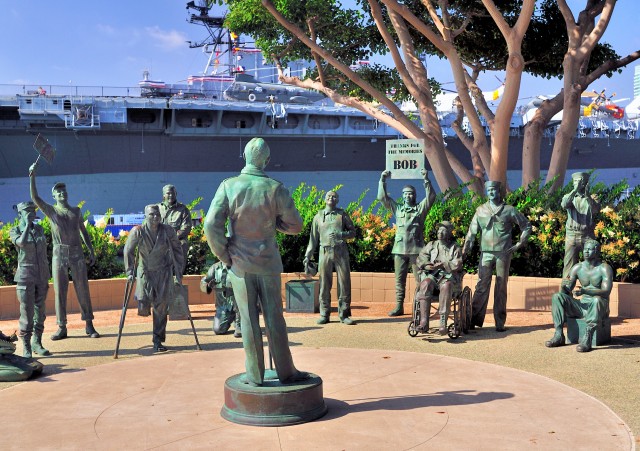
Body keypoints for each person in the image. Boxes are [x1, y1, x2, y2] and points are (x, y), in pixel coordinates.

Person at [204, 137, 309, 387]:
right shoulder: (275, 188)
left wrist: (224, 255)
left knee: (248, 320)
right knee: (275, 318)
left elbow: (210, 224)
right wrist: (275, 224)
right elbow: (296, 225)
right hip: (269, 263)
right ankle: (286, 372)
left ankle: (254, 374)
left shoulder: (229, 186)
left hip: (239, 265)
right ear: (267, 161)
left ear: (244, 156)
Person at [29, 164, 100, 341]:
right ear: (54, 196)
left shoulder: (76, 211)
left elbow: (83, 231)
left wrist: (90, 251)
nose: (62, 193)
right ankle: (62, 327)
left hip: (77, 253)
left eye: (64, 191)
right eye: (58, 192)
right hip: (59, 254)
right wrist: (32, 177)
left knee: (83, 289)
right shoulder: (51, 211)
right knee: (59, 291)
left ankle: (89, 324)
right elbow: (35, 198)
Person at [462, 181, 531, 332]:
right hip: (485, 253)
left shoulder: (509, 210)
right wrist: (464, 251)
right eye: (489, 190)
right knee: (481, 285)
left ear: (499, 191)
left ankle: (500, 322)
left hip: (503, 253)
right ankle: (474, 319)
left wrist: (520, 243)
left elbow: (526, 226)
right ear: (486, 192)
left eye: (494, 189)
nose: (492, 192)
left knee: (501, 287)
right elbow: (471, 233)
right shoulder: (480, 210)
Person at [124, 204, 184, 353]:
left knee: (161, 308)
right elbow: (128, 252)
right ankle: (145, 307)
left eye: (157, 214)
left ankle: (158, 340)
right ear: (146, 215)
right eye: (151, 215)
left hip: (163, 272)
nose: (155, 217)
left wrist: (179, 271)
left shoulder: (167, 231)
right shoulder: (138, 231)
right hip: (145, 272)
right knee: (144, 305)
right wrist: (129, 272)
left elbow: (177, 249)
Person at [378, 168, 436, 316]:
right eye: (405, 193)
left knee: (420, 281)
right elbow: (382, 198)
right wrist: (382, 180)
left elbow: (431, 197)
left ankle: (419, 307)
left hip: (416, 251)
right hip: (399, 249)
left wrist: (426, 179)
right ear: (402, 196)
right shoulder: (397, 209)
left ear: (415, 195)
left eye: (410, 193)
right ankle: (399, 306)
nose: (407, 196)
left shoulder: (419, 209)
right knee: (399, 280)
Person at [545, 239, 612, 352]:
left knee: (596, 300)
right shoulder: (578, 267)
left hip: (599, 307)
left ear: (596, 251)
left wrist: (586, 291)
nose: (586, 252)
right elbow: (566, 291)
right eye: (585, 249)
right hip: (582, 306)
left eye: (589, 249)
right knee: (557, 297)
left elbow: (606, 292)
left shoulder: (604, 268)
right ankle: (558, 334)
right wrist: (563, 286)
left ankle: (588, 337)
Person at [303, 190, 357, 325]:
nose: (331, 198)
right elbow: (313, 239)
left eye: (334, 197)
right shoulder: (318, 216)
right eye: (328, 196)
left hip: (341, 251)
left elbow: (353, 232)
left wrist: (341, 234)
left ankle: (344, 314)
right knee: (324, 284)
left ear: (337, 200)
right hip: (324, 251)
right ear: (324, 199)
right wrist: (308, 255)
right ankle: (324, 313)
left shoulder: (342, 214)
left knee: (344, 283)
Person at [9, 201, 51, 358]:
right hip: (25, 276)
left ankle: (37, 342)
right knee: (26, 313)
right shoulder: (15, 231)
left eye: (33, 211)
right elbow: (21, 243)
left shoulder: (39, 229)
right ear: (20, 214)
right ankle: (26, 347)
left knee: (40, 312)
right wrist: (26, 225)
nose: (32, 214)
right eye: (28, 212)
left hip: (41, 276)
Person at [415, 221, 463, 335]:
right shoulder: (431, 245)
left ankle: (443, 322)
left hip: (447, 278)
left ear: (449, 233)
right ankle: (424, 322)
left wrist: (443, 264)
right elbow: (421, 258)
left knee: (446, 286)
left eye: (443, 231)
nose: (440, 233)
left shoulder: (454, 247)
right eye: (439, 230)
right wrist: (427, 265)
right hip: (432, 275)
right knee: (425, 283)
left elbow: (458, 263)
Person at [561, 172, 600, 279]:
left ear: (586, 183)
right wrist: (574, 191)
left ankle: (591, 289)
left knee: (592, 264)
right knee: (569, 266)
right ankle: (565, 292)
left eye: (580, 181)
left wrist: (588, 196)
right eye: (575, 182)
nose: (577, 184)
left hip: (587, 235)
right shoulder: (569, 197)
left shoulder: (593, 197)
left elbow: (596, 209)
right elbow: (564, 204)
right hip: (572, 235)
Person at [200, 261, 242, 338]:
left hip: (239, 304)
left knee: (241, 330)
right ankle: (232, 317)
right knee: (218, 329)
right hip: (223, 305)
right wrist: (208, 286)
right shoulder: (215, 268)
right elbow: (204, 281)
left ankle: (239, 322)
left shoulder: (239, 265)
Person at [158, 184, 191, 274]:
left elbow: (186, 227)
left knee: (183, 244)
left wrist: (173, 238)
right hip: (159, 239)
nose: (171, 195)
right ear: (163, 195)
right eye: (168, 193)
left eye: (173, 193)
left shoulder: (183, 209)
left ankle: (178, 275)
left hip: (177, 239)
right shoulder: (157, 209)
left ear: (176, 194)